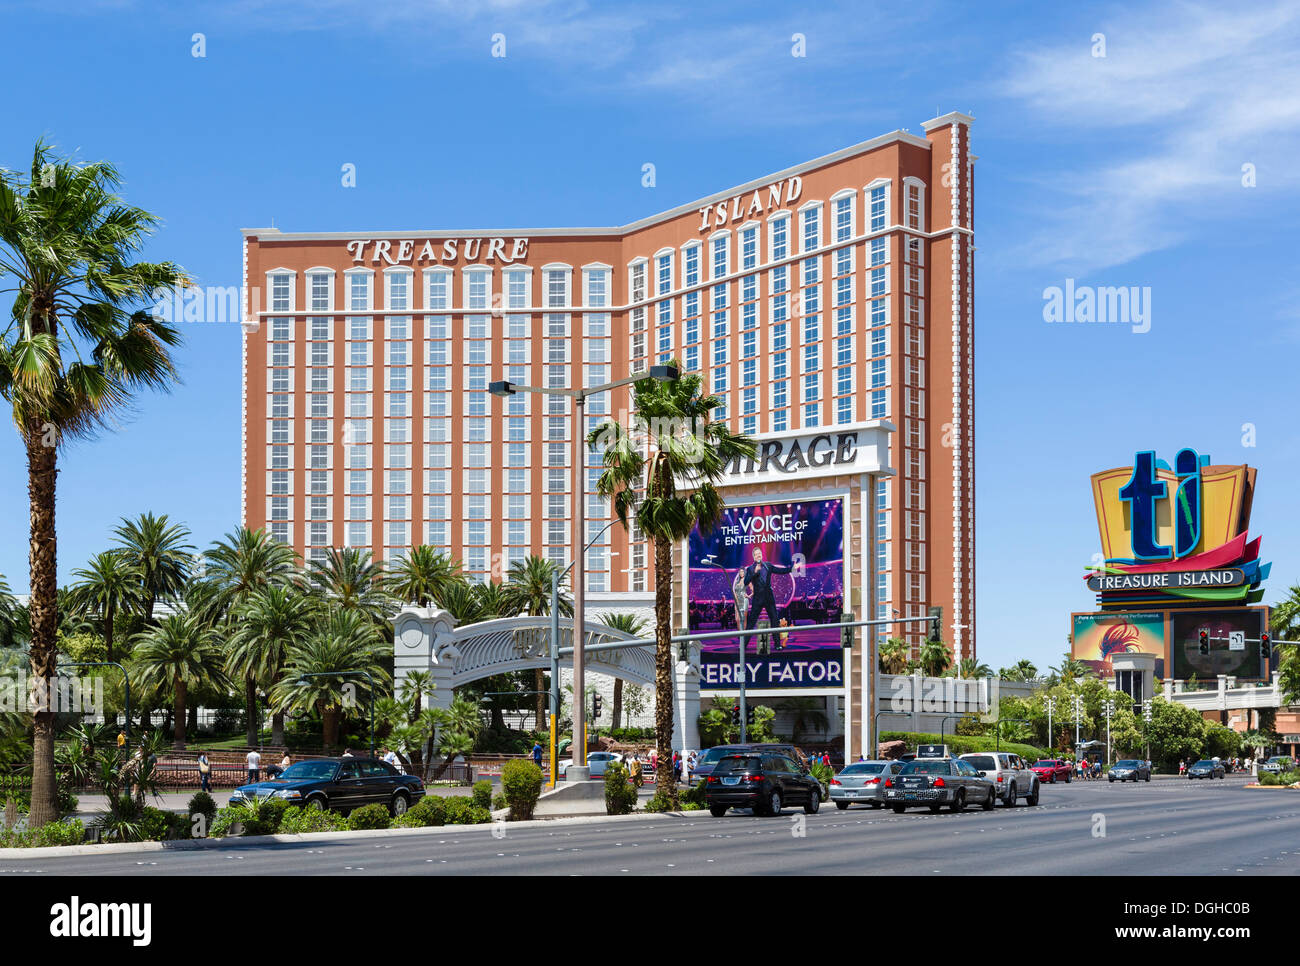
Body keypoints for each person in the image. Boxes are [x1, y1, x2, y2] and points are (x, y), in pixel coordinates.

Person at [743, 546, 794, 651]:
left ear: (761, 555)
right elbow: (746, 582)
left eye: (759, 553)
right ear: (754, 557)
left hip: (769, 598)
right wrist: (754, 572)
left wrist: (793, 568)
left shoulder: (768, 565)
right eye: (756, 554)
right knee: (751, 622)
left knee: (775, 621)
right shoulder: (750, 569)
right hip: (757, 599)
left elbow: (780, 571)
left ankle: (777, 644)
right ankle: (743, 645)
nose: (758, 555)